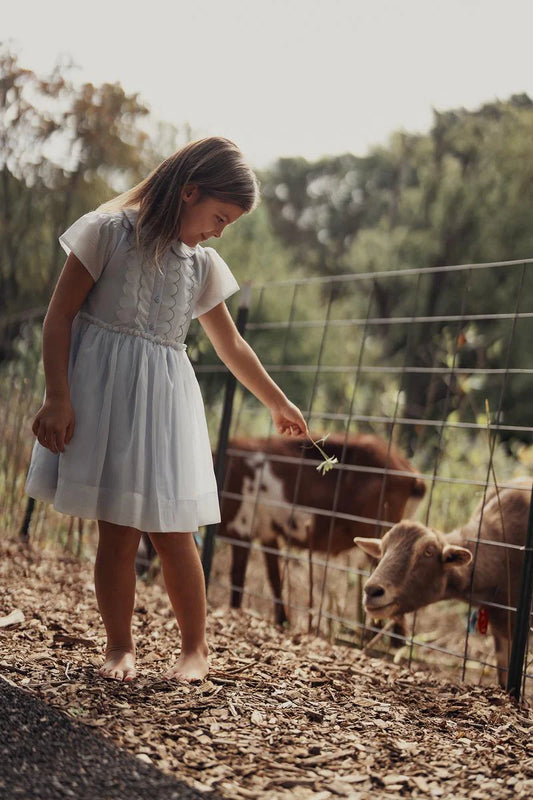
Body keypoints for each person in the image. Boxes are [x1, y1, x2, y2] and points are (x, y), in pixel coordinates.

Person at [25, 137, 308, 683]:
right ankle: (119, 648)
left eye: (229, 225)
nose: (220, 231)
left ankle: (195, 649)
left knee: (177, 529)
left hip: (164, 408)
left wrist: (277, 400)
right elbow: (58, 318)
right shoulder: (106, 234)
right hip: (103, 401)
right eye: (219, 217)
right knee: (118, 530)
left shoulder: (200, 265)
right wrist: (56, 396)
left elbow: (232, 347)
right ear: (188, 192)